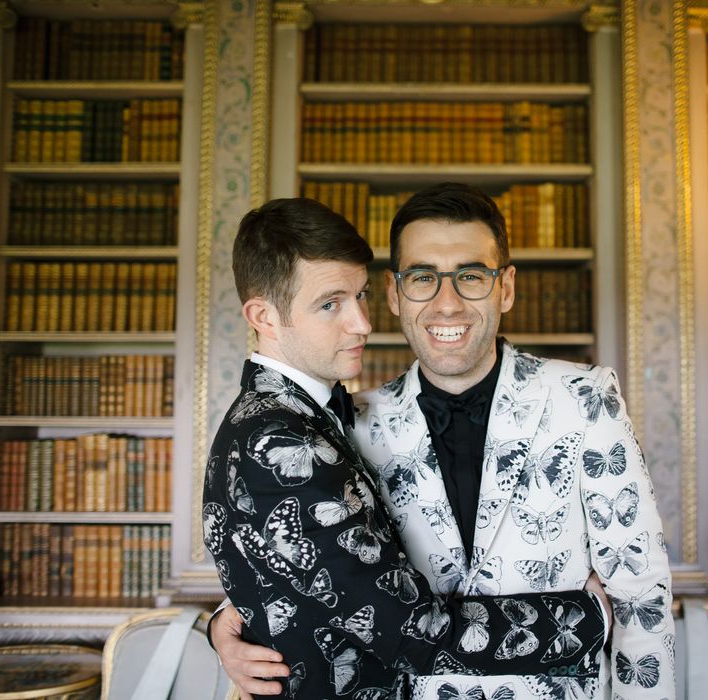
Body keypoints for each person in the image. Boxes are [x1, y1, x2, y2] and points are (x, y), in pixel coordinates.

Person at [210, 184, 675, 699]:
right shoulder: (351, 423)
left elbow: (640, 596)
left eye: (472, 277)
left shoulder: (586, 398)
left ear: (506, 288)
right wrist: (228, 621)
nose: (447, 304)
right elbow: (313, 561)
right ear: (395, 292)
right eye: (423, 278)